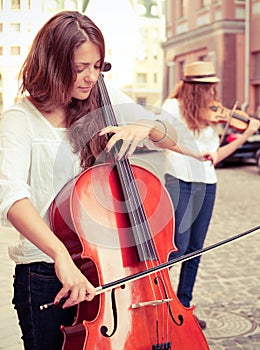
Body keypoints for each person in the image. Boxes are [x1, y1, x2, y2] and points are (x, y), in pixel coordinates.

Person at [0, 11, 204, 350]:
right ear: (51, 63)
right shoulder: (20, 121)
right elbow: (11, 198)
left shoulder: (101, 102)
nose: (91, 77)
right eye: (80, 68)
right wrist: (60, 256)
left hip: (110, 272)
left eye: (97, 66)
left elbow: (182, 141)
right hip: (47, 275)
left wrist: (147, 128)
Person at [160, 61, 260, 329]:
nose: (214, 92)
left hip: (207, 182)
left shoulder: (214, 114)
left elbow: (215, 157)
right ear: (196, 88)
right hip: (179, 179)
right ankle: (160, 305)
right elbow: (162, 140)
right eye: (209, 87)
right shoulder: (172, 108)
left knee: (195, 249)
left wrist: (245, 135)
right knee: (176, 248)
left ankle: (184, 307)